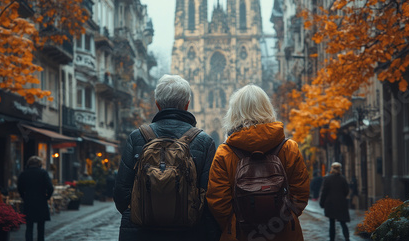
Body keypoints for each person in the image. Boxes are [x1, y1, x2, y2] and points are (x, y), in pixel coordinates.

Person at [114, 74, 220, 241]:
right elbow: (209, 197)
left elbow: (121, 194)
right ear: (187, 105)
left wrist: (144, 214)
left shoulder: (137, 137)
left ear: (157, 104)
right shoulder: (204, 142)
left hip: (142, 234)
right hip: (189, 234)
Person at [207, 84, 310, 241]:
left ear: (234, 113)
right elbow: (300, 195)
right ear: (267, 109)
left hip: (241, 235)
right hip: (284, 233)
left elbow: (218, 202)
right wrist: (279, 223)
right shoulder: (290, 148)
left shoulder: (224, 153)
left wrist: (238, 226)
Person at [18, 156, 54, 241]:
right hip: (41, 201)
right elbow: (50, 188)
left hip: (29, 202)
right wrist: (46, 197)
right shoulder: (43, 173)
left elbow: (20, 188)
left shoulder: (24, 174)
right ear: (39, 164)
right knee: (41, 228)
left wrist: (24, 197)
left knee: (29, 227)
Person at [319, 162, 351, 241]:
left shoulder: (327, 178)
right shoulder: (343, 179)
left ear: (332, 169)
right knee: (343, 222)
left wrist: (322, 203)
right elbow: (346, 191)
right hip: (341, 203)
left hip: (330, 204)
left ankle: (332, 239)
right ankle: (347, 238)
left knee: (331, 223)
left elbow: (324, 192)